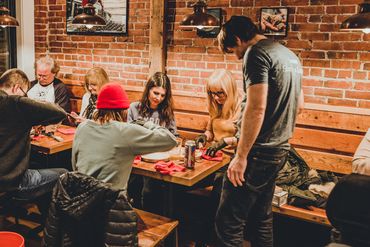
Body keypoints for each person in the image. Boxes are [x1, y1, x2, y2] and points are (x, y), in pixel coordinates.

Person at [215, 15, 304, 247]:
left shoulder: (255, 53)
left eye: (233, 49)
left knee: (228, 222)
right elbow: (300, 105)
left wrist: (242, 155)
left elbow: (256, 107)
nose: (236, 56)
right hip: (280, 149)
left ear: (237, 38)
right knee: (261, 218)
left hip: (258, 152)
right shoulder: (290, 56)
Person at [72, 82, 177, 191]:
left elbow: (75, 166)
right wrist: (146, 123)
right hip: (111, 202)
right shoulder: (125, 131)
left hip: (80, 199)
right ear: (123, 110)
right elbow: (170, 140)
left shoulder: (82, 127)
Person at [0, 68, 68, 215]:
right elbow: (60, 113)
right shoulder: (15, 102)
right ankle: (51, 227)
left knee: (37, 165)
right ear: (16, 88)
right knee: (63, 174)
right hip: (10, 182)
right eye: (25, 94)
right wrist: (28, 103)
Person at [194, 69, 242, 244]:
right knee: (177, 185)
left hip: (232, 164)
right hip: (212, 161)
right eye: (212, 93)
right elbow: (210, 131)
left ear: (229, 89)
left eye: (219, 93)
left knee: (217, 195)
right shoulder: (216, 107)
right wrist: (204, 137)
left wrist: (225, 142)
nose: (216, 98)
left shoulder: (241, 107)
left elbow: (245, 138)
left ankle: (207, 240)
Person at [127, 72, 177, 212]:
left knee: (150, 190)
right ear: (148, 89)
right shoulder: (134, 108)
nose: (158, 98)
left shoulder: (166, 111)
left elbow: (174, 136)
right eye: (155, 93)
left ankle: (152, 220)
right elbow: (128, 134)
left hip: (158, 159)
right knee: (133, 184)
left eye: (162, 95)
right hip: (138, 158)